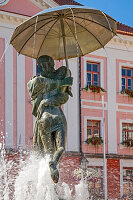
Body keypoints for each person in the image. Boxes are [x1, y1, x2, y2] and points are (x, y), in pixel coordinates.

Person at [27, 55, 73, 183]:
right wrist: (64, 82)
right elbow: (63, 97)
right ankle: (53, 175)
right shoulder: (40, 80)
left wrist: (44, 102)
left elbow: (62, 96)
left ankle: (50, 187)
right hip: (58, 116)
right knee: (59, 150)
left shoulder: (36, 81)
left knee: (47, 154)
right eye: (50, 64)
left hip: (44, 119)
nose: (51, 67)